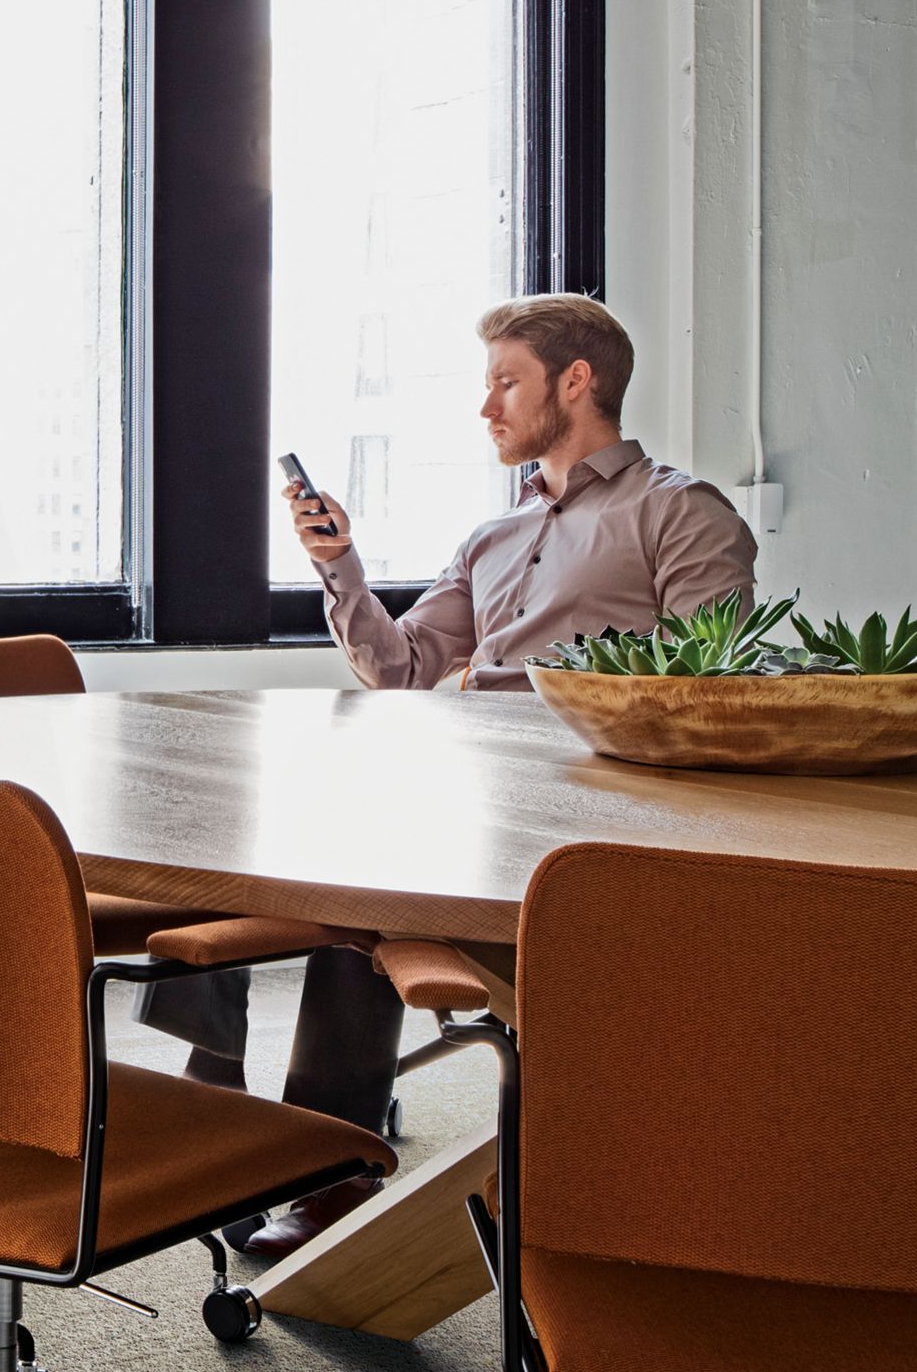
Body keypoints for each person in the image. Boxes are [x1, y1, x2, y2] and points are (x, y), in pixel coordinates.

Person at [142, 293, 756, 1262]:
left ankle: (326, 1162)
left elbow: (708, 684)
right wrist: (339, 564)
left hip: (581, 812)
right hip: (462, 793)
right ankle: (224, 1085)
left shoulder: (676, 514)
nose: (486, 409)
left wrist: (523, 696)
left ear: (576, 381)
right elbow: (403, 670)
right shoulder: (492, 537)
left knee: (354, 847)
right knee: (257, 806)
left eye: (504, 383)